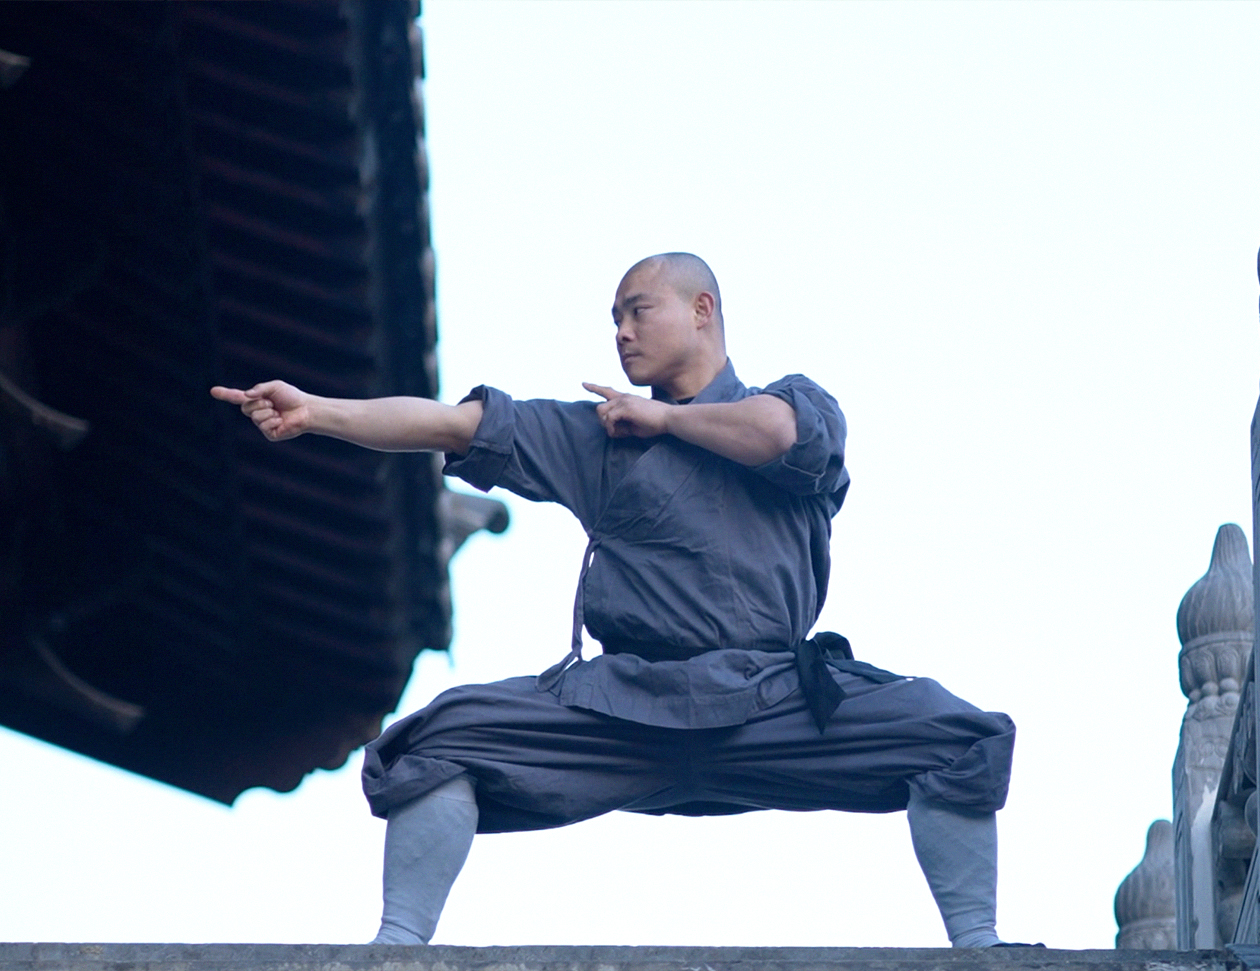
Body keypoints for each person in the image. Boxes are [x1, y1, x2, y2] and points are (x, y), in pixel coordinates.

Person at [210, 253, 1025, 948]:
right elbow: (451, 426)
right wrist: (317, 412)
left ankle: (981, 949)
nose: (621, 332)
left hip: (777, 702)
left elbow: (773, 436)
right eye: (613, 319)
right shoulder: (600, 434)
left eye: (638, 310)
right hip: (619, 710)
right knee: (438, 739)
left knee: (952, 733)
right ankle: (396, 949)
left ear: (703, 310)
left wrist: (665, 423)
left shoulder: (795, 403)